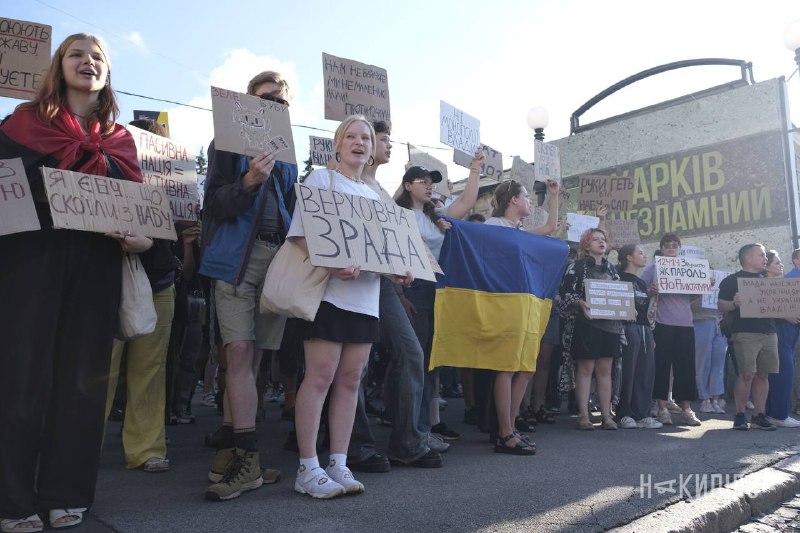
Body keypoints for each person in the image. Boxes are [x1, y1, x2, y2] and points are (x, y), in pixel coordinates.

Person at [0, 34, 151, 531]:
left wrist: (140, 240)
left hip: (97, 266)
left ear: (108, 74)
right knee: (22, 380)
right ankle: (12, 499)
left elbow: (144, 215)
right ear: (58, 66)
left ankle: (66, 491)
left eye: (98, 58)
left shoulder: (124, 141)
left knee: (83, 382)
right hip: (32, 262)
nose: (89, 63)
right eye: (76, 55)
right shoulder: (21, 124)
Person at [287, 116, 411, 499]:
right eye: (351, 136)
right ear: (337, 144)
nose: (359, 142)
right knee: (320, 376)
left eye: (366, 138)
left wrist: (398, 273)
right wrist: (331, 263)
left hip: (366, 299)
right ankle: (308, 467)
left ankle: (338, 462)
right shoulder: (320, 181)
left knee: (351, 381)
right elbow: (300, 236)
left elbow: (385, 253)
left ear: (373, 149)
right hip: (328, 294)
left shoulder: (377, 197)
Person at [200, 71, 297, 501]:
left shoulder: (290, 158)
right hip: (238, 259)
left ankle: (234, 453)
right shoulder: (225, 145)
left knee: (255, 360)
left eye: (280, 102)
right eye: (265, 100)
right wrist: (248, 182)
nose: (273, 107)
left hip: (277, 260)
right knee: (237, 353)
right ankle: (249, 459)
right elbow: (215, 204)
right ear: (246, 105)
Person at [347, 120, 442, 470]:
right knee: (353, 366)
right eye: (383, 139)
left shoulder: (381, 192)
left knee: (411, 353)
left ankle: (406, 442)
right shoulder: (339, 180)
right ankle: (355, 445)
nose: (388, 145)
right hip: (350, 281)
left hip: (384, 284)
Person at [104, 119, 178, 474]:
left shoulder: (170, 183)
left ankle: (147, 448)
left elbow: (168, 235)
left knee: (150, 370)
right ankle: (80, 444)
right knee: (101, 368)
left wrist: (149, 244)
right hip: (109, 280)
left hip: (159, 282)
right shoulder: (103, 166)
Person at [396, 153, 483, 448]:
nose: (430, 186)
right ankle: (412, 432)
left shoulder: (436, 216)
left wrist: (474, 170)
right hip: (412, 290)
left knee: (431, 362)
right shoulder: (397, 214)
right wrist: (399, 295)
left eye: (432, 182)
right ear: (407, 185)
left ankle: (422, 428)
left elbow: (467, 202)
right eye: (422, 181)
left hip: (437, 291)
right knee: (415, 363)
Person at [484, 178, 560, 440]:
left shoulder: (519, 231)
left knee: (526, 367)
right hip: (504, 305)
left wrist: (554, 196)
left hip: (524, 306)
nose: (528, 200)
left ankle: (512, 424)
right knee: (506, 367)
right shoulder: (493, 226)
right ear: (513, 200)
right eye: (525, 196)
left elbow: (550, 227)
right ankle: (504, 431)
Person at [560, 229, 622, 431]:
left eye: (603, 239)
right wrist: (579, 302)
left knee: (605, 371)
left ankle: (606, 416)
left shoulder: (612, 269)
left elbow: (620, 296)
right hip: (587, 325)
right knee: (586, 369)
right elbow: (565, 294)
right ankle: (584, 415)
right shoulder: (576, 267)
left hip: (610, 326)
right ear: (586, 245)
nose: (601, 242)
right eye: (596, 239)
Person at [640, 234, 702, 426]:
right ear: (661, 248)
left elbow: (694, 296)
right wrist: (650, 291)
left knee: (686, 367)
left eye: (675, 245)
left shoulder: (688, 267)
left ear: (679, 248)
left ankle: (686, 409)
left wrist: (703, 286)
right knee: (661, 365)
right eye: (667, 245)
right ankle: (662, 408)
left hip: (685, 323)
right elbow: (640, 292)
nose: (671, 248)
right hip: (661, 323)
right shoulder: (652, 268)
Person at [717, 244, 779, 431]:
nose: (765, 258)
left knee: (763, 374)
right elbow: (721, 306)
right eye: (761, 255)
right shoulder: (731, 280)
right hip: (745, 333)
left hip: (769, 331)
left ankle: (759, 415)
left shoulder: (769, 280)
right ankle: (740, 414)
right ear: (748, 258)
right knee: (747, 374)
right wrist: (735, 304)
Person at [615, 244, 662, 429]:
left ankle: (642, 413)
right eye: (640, 253)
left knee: (645, 371)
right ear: (629, 257)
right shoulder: (618, 278)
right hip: (627, 328)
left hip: (644, 330)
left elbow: (645, 309)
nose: (644, 256)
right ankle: (624, 413)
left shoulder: (642, 282)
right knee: (627, 371)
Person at [764, 251, 800, 427]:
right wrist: (786, 316)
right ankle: (779, 414)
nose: (781, 265)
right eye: (777, 263)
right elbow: (763, 309)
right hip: (778, 330)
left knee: (783, 371)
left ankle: (774, 412)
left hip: (790, 331)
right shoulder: (763, 284)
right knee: (784, 371)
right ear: (767, 266)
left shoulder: (782, 283)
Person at [692, 269, 727, 416]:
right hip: (701, 323)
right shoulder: (694, 290)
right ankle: (704, 399)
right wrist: (702, 290)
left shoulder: (721, 287)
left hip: (720, 324)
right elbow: (689, 306)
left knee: (719, 364)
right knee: (703, 362)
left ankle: (715, 398)